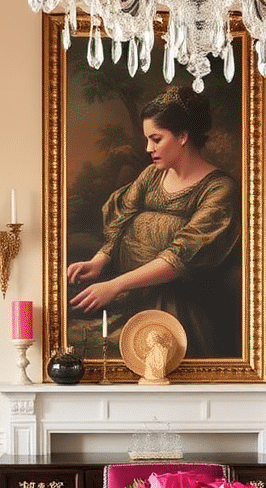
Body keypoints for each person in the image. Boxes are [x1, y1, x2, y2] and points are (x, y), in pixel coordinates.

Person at [67, 86, 241, 358]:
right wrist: (99, 260)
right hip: (133, 298)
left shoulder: (219, 189)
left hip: (180, 306)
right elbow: (122, 217)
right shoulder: (150, 176)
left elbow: (182, 254)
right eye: (148, 139)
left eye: (156, 139)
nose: (149, 148)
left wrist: (115, 285)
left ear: (183, 136)